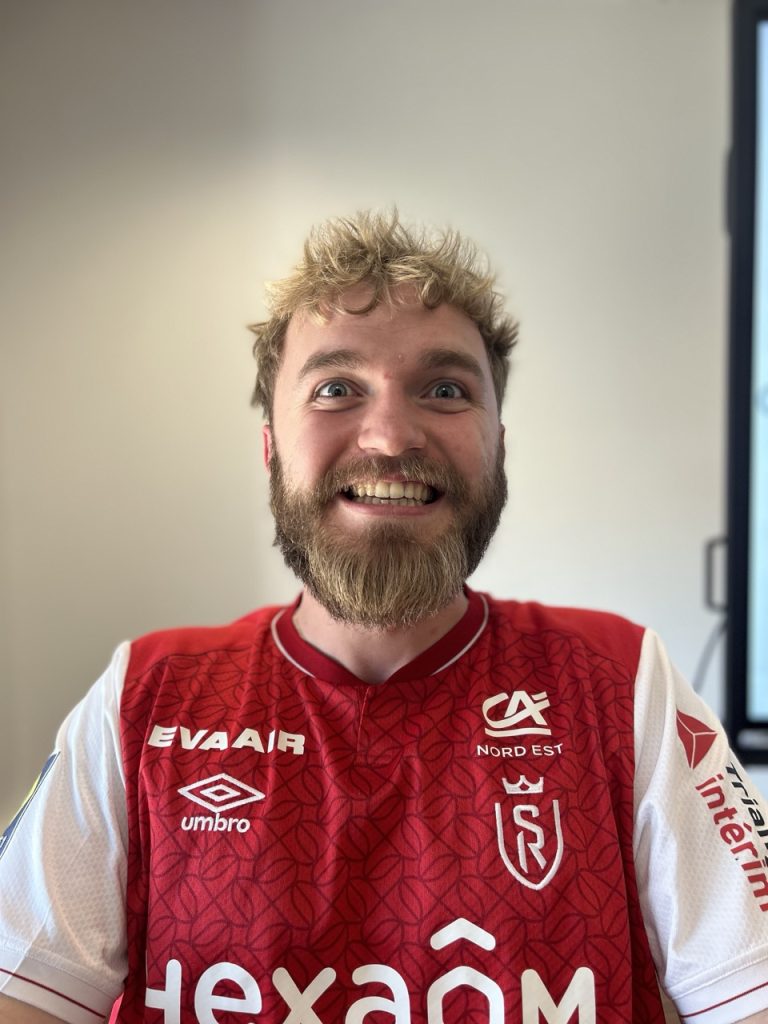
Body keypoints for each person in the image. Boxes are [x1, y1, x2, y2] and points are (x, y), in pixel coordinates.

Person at [1, 211, 767, 1024]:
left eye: (445, 390)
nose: (392, 436)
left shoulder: (621, 682)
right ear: (271, 447)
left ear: (498, 445)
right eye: (336, 388)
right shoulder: (147, 697)